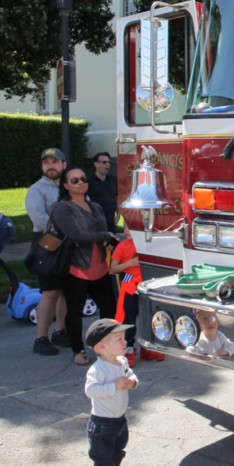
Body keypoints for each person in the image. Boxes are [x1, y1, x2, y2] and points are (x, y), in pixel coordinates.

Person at [55, 166, 120, 366]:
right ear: (65, 185)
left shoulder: (96, 206)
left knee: (108, 309)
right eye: (74, 180)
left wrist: (108, 239)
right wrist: (105, 236)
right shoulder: (63, 207)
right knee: (74, 312)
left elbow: (104, 230)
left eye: (83, 178)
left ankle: (105, 347)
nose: (81, 182)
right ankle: (79, 350)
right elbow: (76, 235)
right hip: (76, 267)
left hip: (100, 266)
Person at [84, 318, 139, 466]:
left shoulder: (121, 361)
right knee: (102, 454)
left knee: (118, 448)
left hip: (119, 418)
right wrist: (114, 386)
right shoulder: (98, 369)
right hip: (102, 423)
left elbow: (129, 374)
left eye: (124, 338)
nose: (125, 342)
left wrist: (132, 382)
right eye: (119, 339)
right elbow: (90, 390)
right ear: (102, 347)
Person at [25, 147, 69, 355]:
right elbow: (39, 219)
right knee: (50, 291)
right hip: (47, 244)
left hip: (68, 243)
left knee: (65, 291)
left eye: (54, 162)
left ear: (63, 165)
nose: (50, 166)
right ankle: (40, 338)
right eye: (46, 162)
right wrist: (68, 229)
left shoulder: (70, 186)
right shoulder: (36, 190)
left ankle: (60, 331)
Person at [109, 232, 164, 365]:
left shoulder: (148, 243)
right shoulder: (122, 246)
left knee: (147, 318)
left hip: (146, 283)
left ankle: (147, 347)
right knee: (129, 319)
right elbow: (113, 268)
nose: (128, 230)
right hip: (129, 286)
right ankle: (128, 350)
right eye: (126, 226)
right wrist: (130, 263)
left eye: (131, 226)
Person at [87, 152, 119, 233]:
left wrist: (118, 216)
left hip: (111, 224)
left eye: (109, 162)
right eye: (104, 162)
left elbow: (119, 198)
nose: (107, 164)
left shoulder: (113, 180)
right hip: (95, 224)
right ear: (96, 164)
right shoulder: (88, 181)